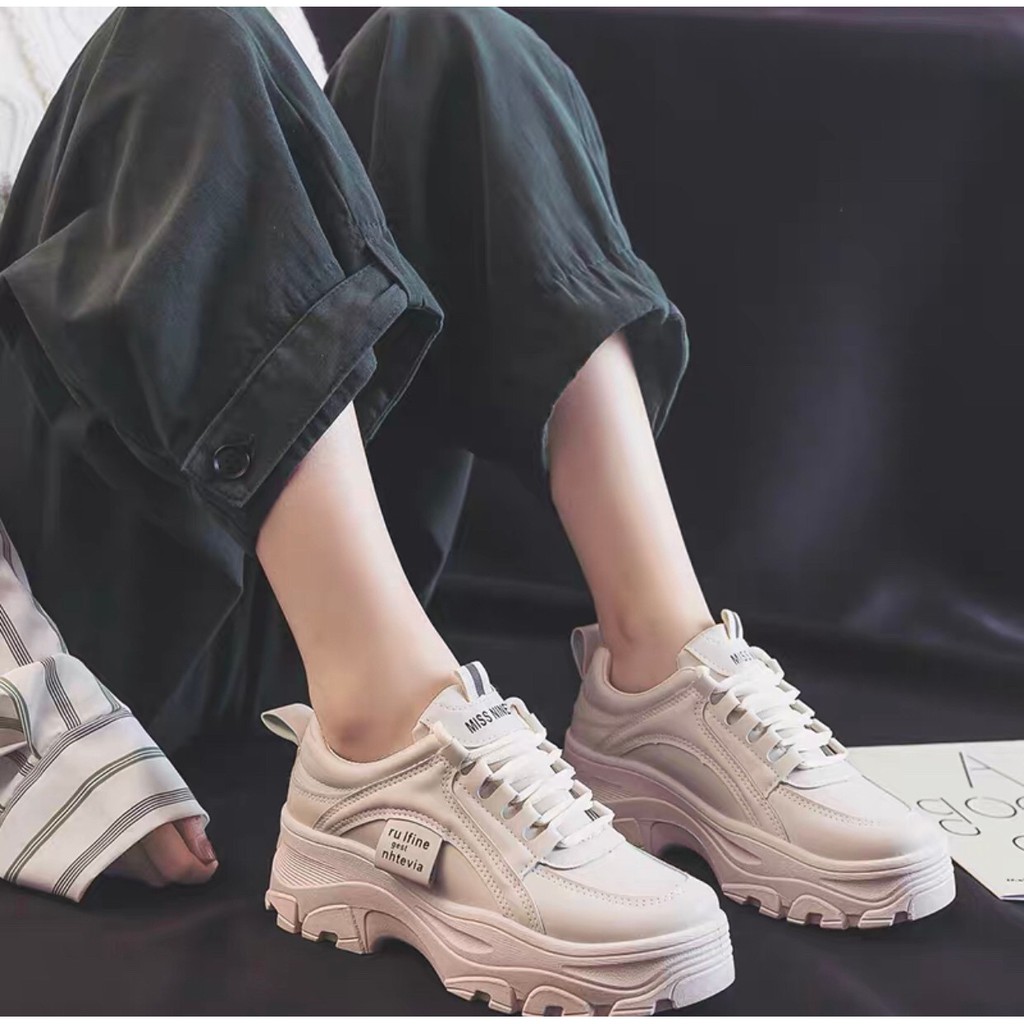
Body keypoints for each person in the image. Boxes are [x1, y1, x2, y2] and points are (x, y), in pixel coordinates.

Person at [0, 7, 953, 1015]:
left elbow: (283, 248)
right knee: (180, 46)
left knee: (444, 48)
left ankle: (658, 667)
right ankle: (383, 742)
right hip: (98, 626)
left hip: (306, 586)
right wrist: (45, 743)